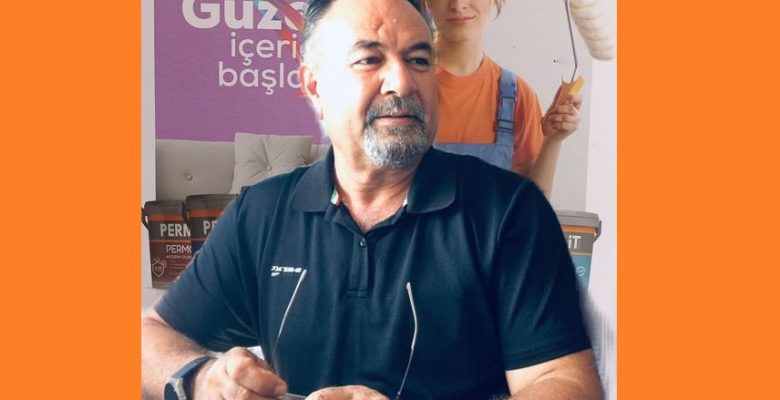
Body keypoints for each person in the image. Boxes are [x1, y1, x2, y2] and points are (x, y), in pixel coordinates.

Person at [141, 0, 603, 399]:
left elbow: (568, 383)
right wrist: (200, 379)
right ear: (315, 86)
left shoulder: (510, 213)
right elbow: (148, 337)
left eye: (419, 60)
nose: (402, 81)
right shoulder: (261, 214)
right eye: (369, 59)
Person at [426, 0, 583, 197]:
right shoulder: (405, 90)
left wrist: (552, 140)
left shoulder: (518, 97)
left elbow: (530, 208)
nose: (458, 4)